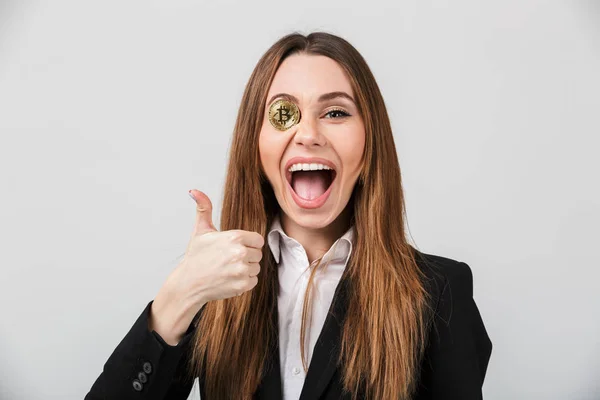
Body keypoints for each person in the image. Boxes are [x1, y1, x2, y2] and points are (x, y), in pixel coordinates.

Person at [85, 31, 492, 400]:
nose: (309, 133)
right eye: (283, 114)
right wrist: (178, 298)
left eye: (335, 113)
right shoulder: (215, 287)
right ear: (256, 146)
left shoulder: (439, 293)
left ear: (369, 147)